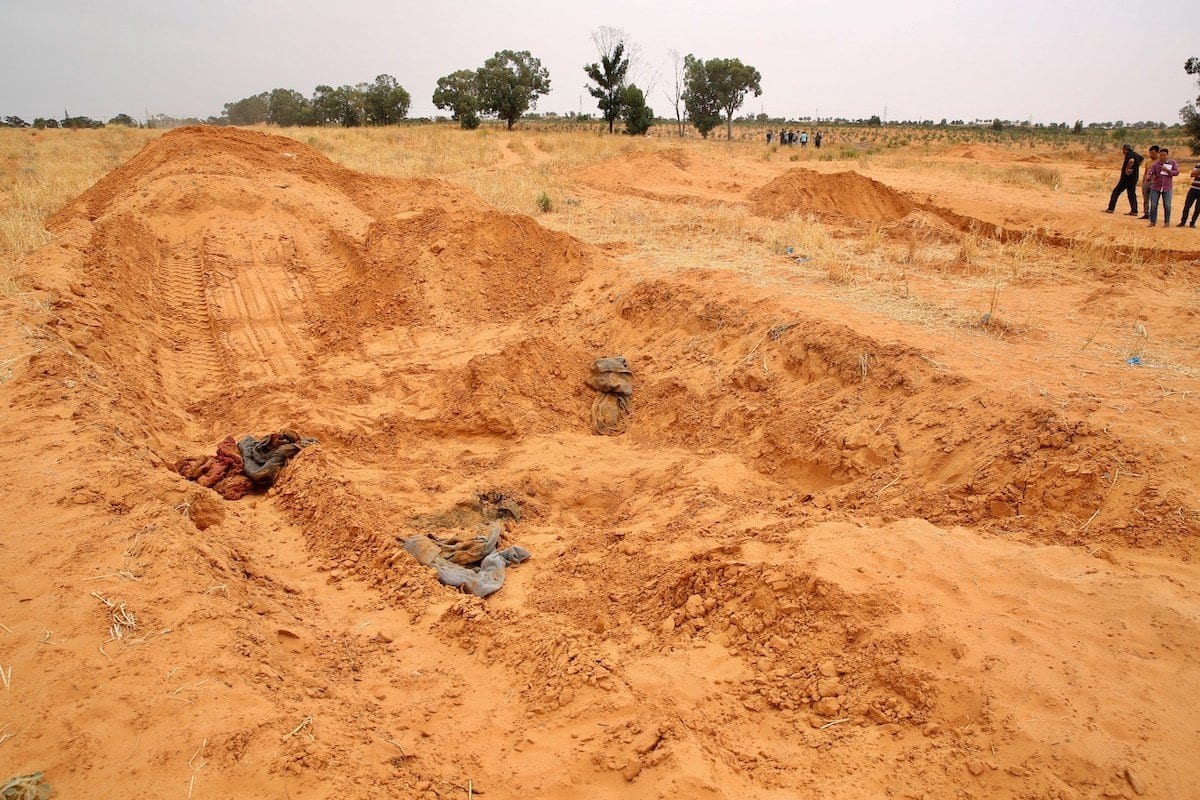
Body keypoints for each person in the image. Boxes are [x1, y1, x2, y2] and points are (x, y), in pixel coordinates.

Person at [1105, 144, 1143, 215]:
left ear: (1124, 149)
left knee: (1116, 192)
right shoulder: (1136, 154)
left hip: (1126, 178)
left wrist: (1127, 169)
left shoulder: (1129, 154)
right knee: (1131, 194)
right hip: (1134, 178)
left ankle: (1111, 208)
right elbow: (1142, 159)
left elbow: (1131, 160)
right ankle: (1134, 211)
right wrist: (1136, 166)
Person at [1147, 148, 1179, 227]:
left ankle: (1167, 222)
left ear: (1167, 155)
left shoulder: (1173, 163)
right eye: (1161, 155)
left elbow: (1176, 172)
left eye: (1164, 155)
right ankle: (1152, 221)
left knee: (1167, 205)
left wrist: (1167, 170)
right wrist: (1149, 177)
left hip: (1167, 187)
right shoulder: (1156, 164)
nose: (1162, 157)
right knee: (1153, 205)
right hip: (1156, 187)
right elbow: (1150, 173)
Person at [1177, 163, 1200, 228]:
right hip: (1193, 188)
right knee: (1187, 206)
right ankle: (1183, 222)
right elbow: (1192, 175)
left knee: (1198, 208)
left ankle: (1192, 223)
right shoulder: (1198, 165)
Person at [1140, 146, 1159, 219]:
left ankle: (1153, 215)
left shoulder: (1160, 162)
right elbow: (1146, 172)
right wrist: (1143, 182)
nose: (1151, 155)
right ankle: (1146, 213)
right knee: (1146, 199)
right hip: (1146, 183)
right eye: (1150, 153)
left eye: (1153, 153)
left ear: (1157, 153)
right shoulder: (1148, 162)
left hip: (1155, 183)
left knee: (1153, 200)